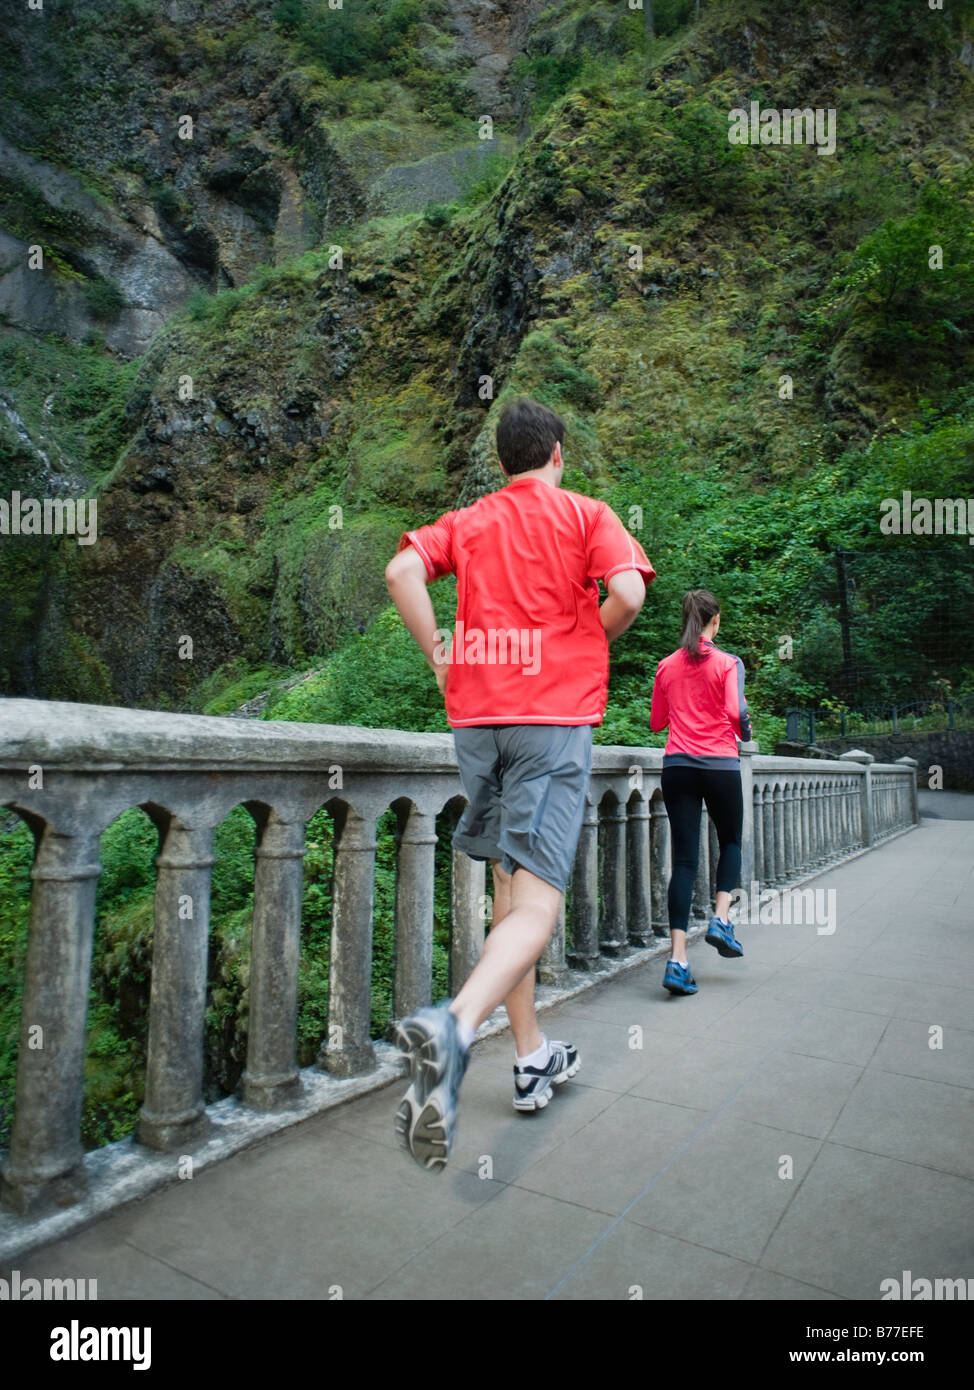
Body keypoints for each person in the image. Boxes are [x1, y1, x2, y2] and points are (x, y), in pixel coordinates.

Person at [384, 398, 655, 1170]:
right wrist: (581, 640)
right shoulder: (585, 512)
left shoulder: (469, 521)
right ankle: (454, 1029)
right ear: (559, 453)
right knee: (538, 903)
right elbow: (630, 593)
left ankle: (531, 1054)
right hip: (549, 719)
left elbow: (402, 568)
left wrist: (438, 650)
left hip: (479, 722)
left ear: (502, 463)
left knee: (509, 891)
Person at [649, 589, 752, 996]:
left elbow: (657, 722)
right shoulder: (729, 663)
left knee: (685, 861)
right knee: (730, 841)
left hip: (678, 767)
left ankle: (677, 961)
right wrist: (744, 732)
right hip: (721, 765)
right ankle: (720, 919)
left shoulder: (666, 666)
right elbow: (735, 713)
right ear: (716, 620)